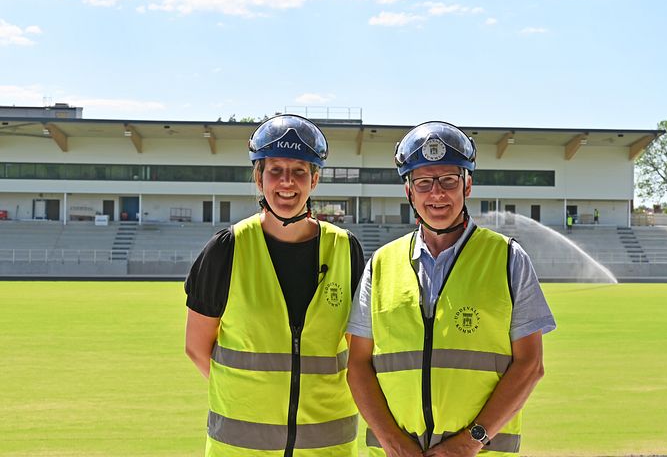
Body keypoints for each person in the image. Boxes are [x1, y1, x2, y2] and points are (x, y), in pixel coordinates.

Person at [347, 121, 556, 456]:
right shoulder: (381, 264)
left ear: (467, 185)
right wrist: (393, 442)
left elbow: (530, 365)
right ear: (409, 191)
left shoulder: (507, 258)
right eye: (424, 182)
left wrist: (469, 442)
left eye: (448, 180)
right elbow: (358, 366)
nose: (437, 193)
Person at [184, 114, 364, 456]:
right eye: (275, 170)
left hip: (328, 447)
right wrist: (253, 398)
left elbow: (357, 351)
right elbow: (196, 346)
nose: (287, 182)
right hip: (242, 449)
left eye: (299, 171)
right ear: (258, 177)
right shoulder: (227, 249)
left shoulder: (345, 248)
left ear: (314, 179)